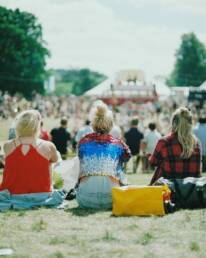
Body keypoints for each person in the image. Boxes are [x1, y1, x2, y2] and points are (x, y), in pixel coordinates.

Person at [0, 110, 65, 210]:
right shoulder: (48, 146)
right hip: (42, 195)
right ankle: (46, 185)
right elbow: (55, 160)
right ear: (37, 126)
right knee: (54, 158)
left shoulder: (7, 145)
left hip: (12, 195)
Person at [76, 102, 131, 209]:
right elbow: (127, 157)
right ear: (111, 125)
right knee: (120, 168)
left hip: (85, 199)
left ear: (93, 124)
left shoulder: (83, 142)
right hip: (113, 199)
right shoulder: (118, 144)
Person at [149, 107, 201, 185]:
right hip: (191, 191)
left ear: (174, 122)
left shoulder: (164, 142)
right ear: (190, 123)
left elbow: (152, 162)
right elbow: (197, 171)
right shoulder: (196, 143)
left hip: (168, 190)